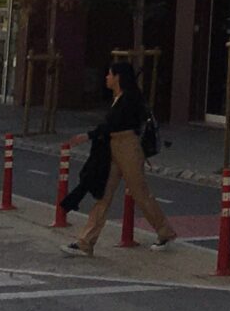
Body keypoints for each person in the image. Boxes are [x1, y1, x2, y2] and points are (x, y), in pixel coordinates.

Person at [65, 59, 178, 256]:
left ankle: (165, 232)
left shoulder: (129, 98)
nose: (106, 78)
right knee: (104, 194)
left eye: (109, 74)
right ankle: (85, 242)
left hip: (128, 147)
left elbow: (114, 124)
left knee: (140, 192)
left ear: (118, 77)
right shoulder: (118, 98)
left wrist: (88, 135)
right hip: (113, 146)